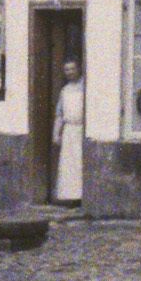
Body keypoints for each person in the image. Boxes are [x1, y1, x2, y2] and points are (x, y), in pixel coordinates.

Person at [50, 57, 85, 205]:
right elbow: (59, 114)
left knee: (79, 163)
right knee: (68, 165)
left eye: (72, 69)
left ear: (78, 69)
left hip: (81, 130)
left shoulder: (85, 88)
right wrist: (56, 133)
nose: (70, 72)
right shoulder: (64, 90)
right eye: (67, 70)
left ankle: (81, 197)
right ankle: (70, 197)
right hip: (69, 131)